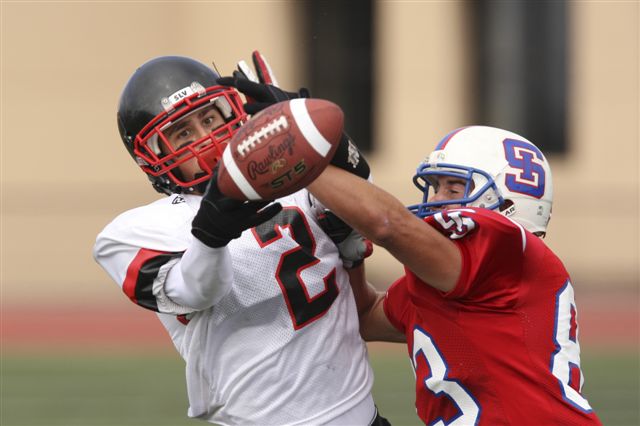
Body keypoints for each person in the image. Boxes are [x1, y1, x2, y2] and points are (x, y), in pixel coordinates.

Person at [93, 53, 389, 425]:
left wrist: (314, 136)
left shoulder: (294, 181)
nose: (206, 138)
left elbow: (370, 208)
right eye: (183, 133)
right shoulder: (139, 230)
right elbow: (196, 291)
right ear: (154, 157)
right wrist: (210, 236)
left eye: (209, 119)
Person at [301, 125, 603, 425]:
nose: (435, 199)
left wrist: (303, 164)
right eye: (436, 187)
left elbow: (388, 225)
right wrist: (351, 256)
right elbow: (364, 315)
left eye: (453, 189)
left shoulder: (507, 250)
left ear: (509, 203)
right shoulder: (458, 281)